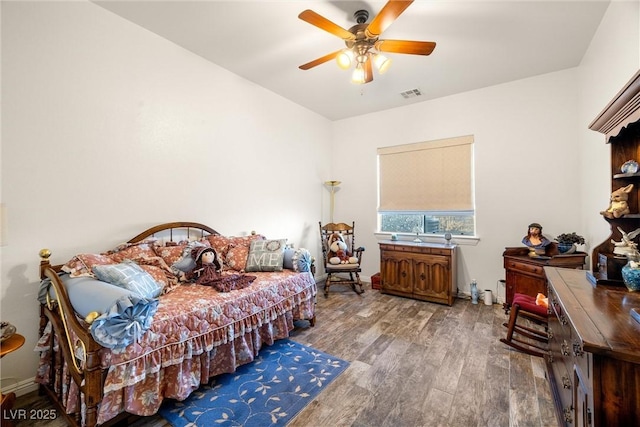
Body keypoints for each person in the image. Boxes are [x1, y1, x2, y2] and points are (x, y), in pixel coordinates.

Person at [190, 246, 255, 292]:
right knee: (220, 282)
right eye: (206, 254)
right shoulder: (200, 267)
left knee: (229, 279)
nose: (209, 256)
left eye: (211, 254)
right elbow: (192, 273)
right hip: (205, 279)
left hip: (215, 276)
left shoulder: (214, 265)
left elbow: (218, 268)